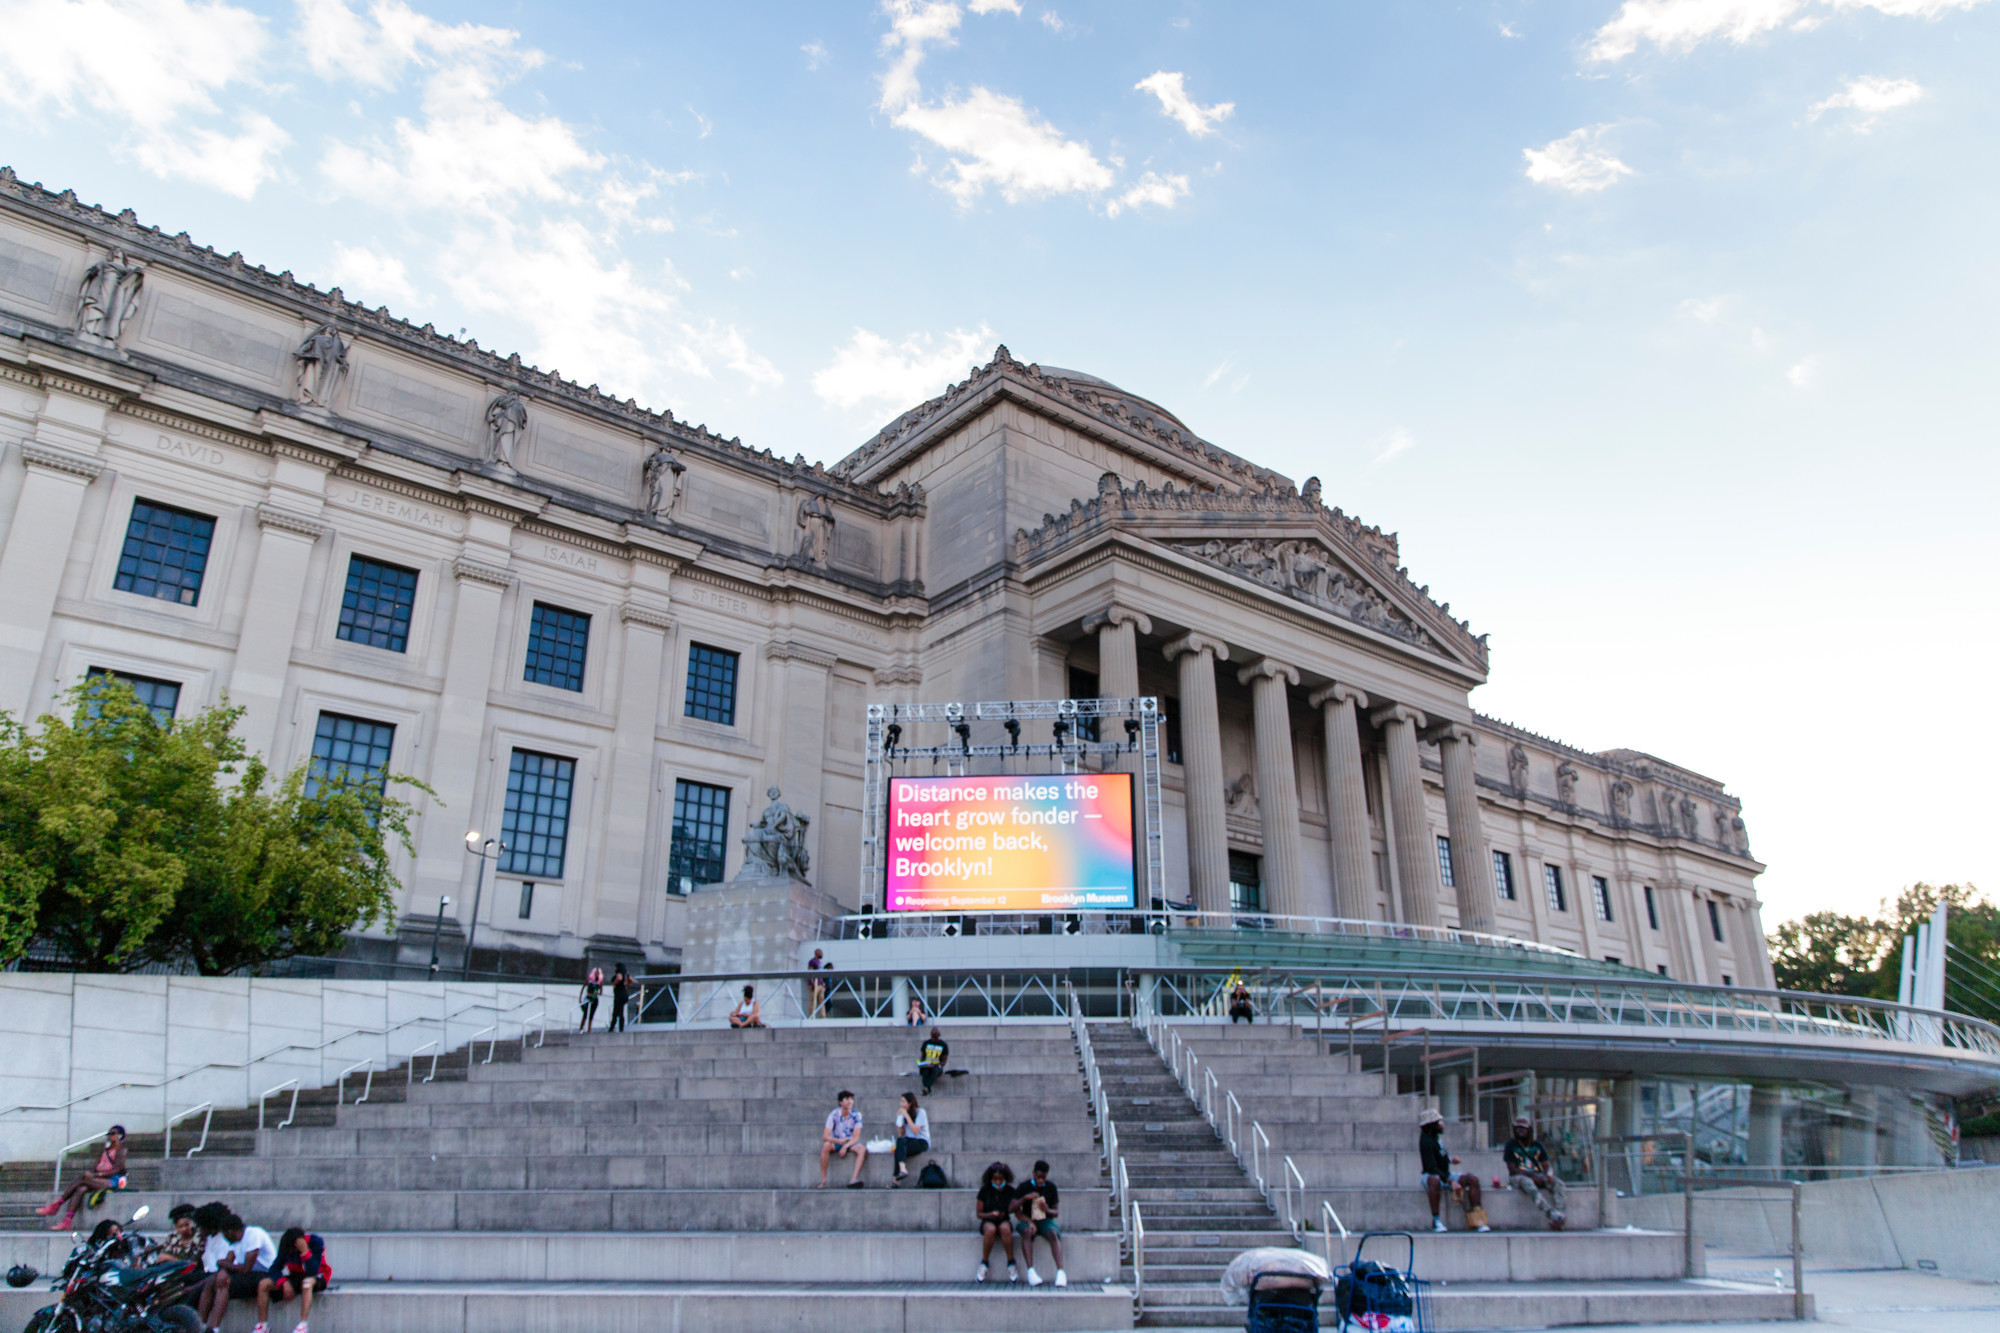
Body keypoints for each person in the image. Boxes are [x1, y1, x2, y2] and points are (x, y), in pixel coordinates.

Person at [197, 1212, 276, 1332]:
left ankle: (214, 1328)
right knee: (211, 1281)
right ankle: (200, 1326)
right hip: (249, 1275)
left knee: (225, 1282)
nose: (224, 1238)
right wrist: (223, 1270)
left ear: (229, 1232)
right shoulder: (234, 1242)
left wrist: (223, 1265)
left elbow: (246, 1268)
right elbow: (228, 1261)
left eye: (224, 1234)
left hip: (265, 1274)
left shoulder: (254, 1234)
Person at [38, 1124, 125, 1229]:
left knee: (81, 1180)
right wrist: (90, 1173)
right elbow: (96, 1166)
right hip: (97, 1179)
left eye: (113, 1134)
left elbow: (117, 1169)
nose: (110, 1136)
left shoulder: (121, 1151)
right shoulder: (105, 1150)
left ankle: (57, 1205)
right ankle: (67, 1221)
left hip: (111, 1180)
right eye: (108, 1134)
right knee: (81, 1189)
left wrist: (97, 1175)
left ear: (120, 1136)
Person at [1419, 1108, 1488, 1233]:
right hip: (1432, 1175)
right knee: (1434, 1181)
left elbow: (1438, 1157)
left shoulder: (1437, 1137)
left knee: (1473, 1179)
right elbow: (1431, 1168)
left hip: (1446, 1174)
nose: (1441, 1125)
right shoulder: (1425, 1141)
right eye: (1439, 1122)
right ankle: (1436, 1221)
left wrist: (1450, 1160)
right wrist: (1450, 1181)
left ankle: (1478, 1219)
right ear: (1431, 1125)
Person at [256, 1227, 329, 1333]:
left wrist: (305, 1253)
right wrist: (283, 1282)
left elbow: (313, 1271)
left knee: (307, 1283)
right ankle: (262, 1326)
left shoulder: (315, 1242)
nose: (291, 1253)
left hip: (316, 1277)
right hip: (296, 1276)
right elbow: (274, 1268)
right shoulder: (286, 1245)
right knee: (264, 1284)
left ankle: (303, 1325)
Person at [1503, 1114, 1567, 1230]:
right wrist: (1533, 1176)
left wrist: (1548, 1175)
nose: (1520, 1131)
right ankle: (1551, 1214)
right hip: (1519, 1177)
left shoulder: (1537, 1145)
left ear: (1529, 1129)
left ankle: (1559, 1216)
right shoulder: (1510, 1145)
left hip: (1538, 1175)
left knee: (1559, 1184)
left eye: (1522, 1128)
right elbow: (1512, 1169)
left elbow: (1546, 1165)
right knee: (1528, 1182)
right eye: (1517, 1128)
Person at [1012, 1160, 1067, 1287]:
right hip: (1027, 1219)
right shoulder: (1024, 1187)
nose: (1041, 1180)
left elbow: (1056, 1212)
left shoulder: (1051, 1187)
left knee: (1053, 1234)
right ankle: (1031, 1271)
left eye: (1043, 1177)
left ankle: (1060, 1272)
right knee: (1027, 1232)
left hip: (1045, 1220)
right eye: (1038, 1177)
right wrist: (1025, 1198)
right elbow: (1012, 1208)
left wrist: (1047, 1210)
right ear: (1033, 1173)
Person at [974, 1162, 1018, 1283]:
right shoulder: (984, 1191)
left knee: (1005, 1229)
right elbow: (979, 1214)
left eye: (1000, 1179)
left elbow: (1015, 1209)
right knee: (991, 1230)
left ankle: (1011, 1263)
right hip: (988, 1219)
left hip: (1003, 1220)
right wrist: (991, 1214)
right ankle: (984, 1263)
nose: (998, 1181)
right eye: (995, 1179)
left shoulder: (1010, 1191)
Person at [819, 1090, 868, 1188]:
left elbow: (856, 1137)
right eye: (847, 1099)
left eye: (851, 1099)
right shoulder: (833, 1115)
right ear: (840, 1102)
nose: (850, 1101)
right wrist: (838, 1141)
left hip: (850, 1142)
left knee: (862, 1149)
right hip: (837, 1140)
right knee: (825, 1146)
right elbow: (825, 1136)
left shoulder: (856, 1115)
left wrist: (846, 1146)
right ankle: (823, 1181)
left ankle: (853, 1179)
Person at [891, 1092, 930, 1185]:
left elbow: (915, 1130)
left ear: (910, 1103)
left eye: (903, 1102)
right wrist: (899, 1120)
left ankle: (896, 1179)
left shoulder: (921, 1112)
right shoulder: (905, 1114)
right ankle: (901, 1171)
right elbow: (902, 1133)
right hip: (909, 1140)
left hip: (922, 1141)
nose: (901, 1104)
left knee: (899, 1149)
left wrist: (906, 1116)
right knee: (899, 1143)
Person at [918, 1026, 949, 1096]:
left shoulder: (943, 1045)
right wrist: (922, 1064)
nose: (934, 1038)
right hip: (927, 1065)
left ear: (938, 1036)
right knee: (925, 1071)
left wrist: (935, 1065)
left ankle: (926, 1087)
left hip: (936, 1066)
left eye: (935, 1037)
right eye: (932, 1036)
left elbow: (944, 1061)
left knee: (934, 1071)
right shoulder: (926, 1043)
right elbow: (922, 1057)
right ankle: (927, 1088)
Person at [578, 966, 603, 1032]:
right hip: (588, 998)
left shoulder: (600, 982)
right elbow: (583, 988)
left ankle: (589, 1030)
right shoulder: (589, 980)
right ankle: (581, 1028)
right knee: (585, 1014)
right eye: (596, 973)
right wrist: (580, 998)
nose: (596, 974)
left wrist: (595, 994)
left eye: (598, 973)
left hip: (594, 998)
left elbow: (601, 992)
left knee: (591, 1015)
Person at [608, 963, 632, 1034]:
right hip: (624, 994)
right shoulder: (626, 974)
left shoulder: (619, 973)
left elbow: (619, 978)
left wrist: (615, 983)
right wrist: (626, 985)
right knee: (617, 1012)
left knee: (619, 1012)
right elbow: (632, 980)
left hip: (619, 995)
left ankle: (619, 1028)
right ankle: (613, 1027)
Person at [807, 949, 828, 1018]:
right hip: (814, 984)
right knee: (813, 1001)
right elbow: (810, 972)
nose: (822, 954)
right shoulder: (812, 961)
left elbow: (820, 974)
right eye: (821, 953)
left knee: (821, 1001)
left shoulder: (819, 962)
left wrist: (822, 984)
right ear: (817, 953)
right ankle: (811, 1016)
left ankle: (823, 1017)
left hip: (820, 984)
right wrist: (812, 983)